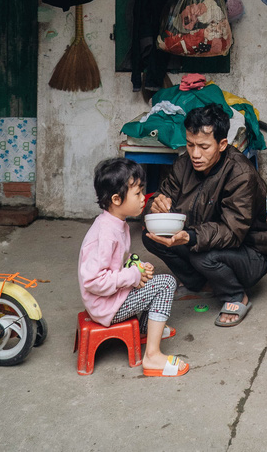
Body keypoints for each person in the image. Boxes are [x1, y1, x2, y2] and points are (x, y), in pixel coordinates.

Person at [142, 103, 267, 327]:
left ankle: (235, 294)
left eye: (204, 147)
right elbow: (162, 196)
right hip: (204, 239)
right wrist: (155, 206)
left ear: (222, 144)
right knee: (151, 235)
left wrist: (190, 237)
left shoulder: (240, 174)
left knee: (202, 255)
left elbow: (232, 232)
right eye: (190, 144)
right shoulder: (183, 164)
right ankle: (200, 283)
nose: (195, 154)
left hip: (248, 253)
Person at [78, 157, 189, 377]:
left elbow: (116, 265)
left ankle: (147, 330)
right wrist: (131, 276)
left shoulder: (116, 223)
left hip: (113, 297)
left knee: (152, 279)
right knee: (166, 283)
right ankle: (152, 356)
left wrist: (137, 268)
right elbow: (93, 281)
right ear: (117, 199)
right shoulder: (105, 234)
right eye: (138, 194)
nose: (143, 199)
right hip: (107, 306)